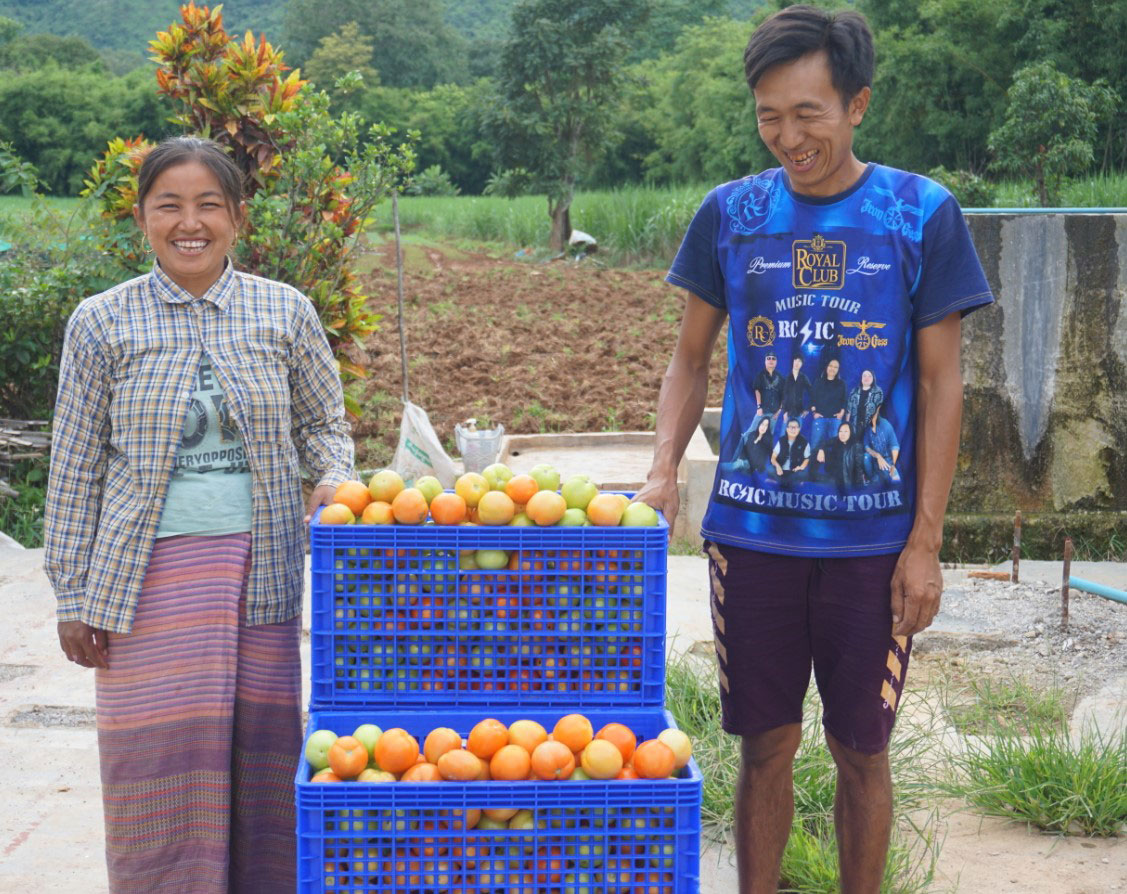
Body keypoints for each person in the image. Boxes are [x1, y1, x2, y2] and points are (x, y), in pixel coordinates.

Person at [636, 6, 993, 892]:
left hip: (871, 547)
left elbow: (943, 383)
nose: (787, 136)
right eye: (768, 115)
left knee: (860, 751)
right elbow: (688, 359)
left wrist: (925, 541)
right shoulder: (731, 213)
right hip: (752, 538)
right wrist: (658, 474)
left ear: (857, 105)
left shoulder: (918, 213)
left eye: (807, 113)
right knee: (764, 746)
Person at [43, 136, 354, 893]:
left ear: (238, 218)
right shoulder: (101, 321)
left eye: (208, 205)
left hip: (262, 569)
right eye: (169, 206)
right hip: (141, 581)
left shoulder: (284, 311)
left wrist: (335, 478)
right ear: (142, 218)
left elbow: (323, 427)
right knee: (155, 760)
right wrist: (72, 594)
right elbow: (75, 464)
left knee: (262, 752)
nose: (191, 222)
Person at [816, 419, 866, 491]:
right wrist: (821, 450)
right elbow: (824, 443)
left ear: (851, 432)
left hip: (847, 480)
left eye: (846, 431)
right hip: (834, 476)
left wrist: (858, 488)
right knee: (817, 452)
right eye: (840, 431)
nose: (842, 434)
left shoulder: (856, 446)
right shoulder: (837, 440)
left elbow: (858, 469)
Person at [810, 356, 847, 451]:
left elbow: (844, 400)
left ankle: (832, 465)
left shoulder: (841, 384)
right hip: (820, 419)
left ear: (838, 370)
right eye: (831, 365)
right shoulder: (818, 382)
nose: (832, 368)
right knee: (815, 445)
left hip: (835, 420)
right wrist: (814, 413)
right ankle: (814, 465)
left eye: (836, 367)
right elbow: (812, 399)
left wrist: (841, 413)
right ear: (827, 367)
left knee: (836, 446)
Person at [864, 404, 901, 484]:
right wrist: (878, 456)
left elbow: (894, 446)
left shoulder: (886, 425)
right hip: (874, 460)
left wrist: (893, 465)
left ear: (877, 411)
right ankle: (871, 479)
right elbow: (866, 447)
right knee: (865, 457)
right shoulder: (867, 427)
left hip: (887, 460)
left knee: (896, 482)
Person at [770, 417, 810, 485]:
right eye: (791, 427)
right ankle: (789, 482)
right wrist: (777, 466)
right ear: (787, 429)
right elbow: (773, 458)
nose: (793, 429)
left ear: (799, 429)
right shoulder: (781, 440)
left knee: (803, 474)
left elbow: (807, 459)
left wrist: (801, 467)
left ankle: (781, 481)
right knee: (769, 469)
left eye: (796, 427)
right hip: (781, 470)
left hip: (795, 470)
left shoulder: (804, 442)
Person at [779, 355, 812, 435]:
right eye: (796, 360)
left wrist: (808, 408)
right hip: (787, 412)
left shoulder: (803, 377)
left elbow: (812, 392)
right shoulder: (786, 378)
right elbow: (783, 395)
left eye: (799, 361)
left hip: (799, 412)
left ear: (802, 364)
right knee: (783, 436)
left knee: (796, 436)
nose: (797, 363)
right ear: (793, 361)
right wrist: (784, 411)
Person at [751, 350, 783, 433]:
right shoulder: (760, 375)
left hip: (774, 413)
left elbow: (784, 395)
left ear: (776, 362)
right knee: (751, 432)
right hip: (762, 411)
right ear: (765, 361)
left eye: (773, 359)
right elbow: (757, 390)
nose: (771, 360)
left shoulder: (781, 378)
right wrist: (759, 407)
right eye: (768, 358)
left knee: (769, 436)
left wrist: (779, 411)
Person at [848, 368, 884, 433]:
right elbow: (849, 409)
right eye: (864, 375)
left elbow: (878, 410)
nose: (866, 378)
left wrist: (874, 425)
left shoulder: (878, 392)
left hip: (870, 426)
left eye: (869, 376)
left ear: (873, 378)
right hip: (854, 425)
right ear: (861, 378)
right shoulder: (854, 391)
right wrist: (847, 425)